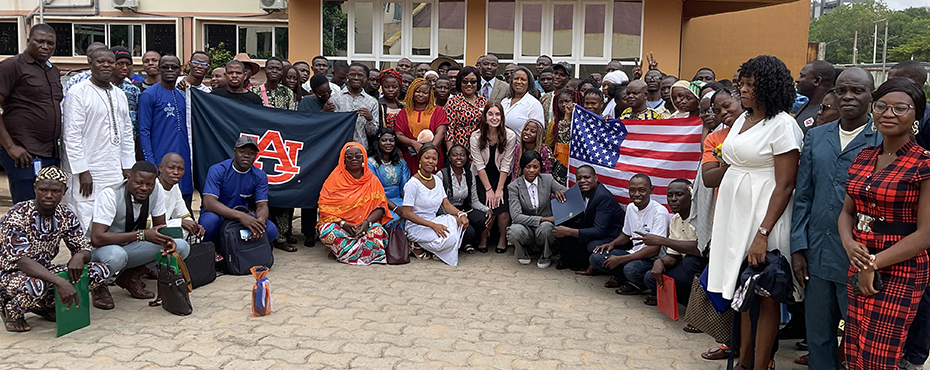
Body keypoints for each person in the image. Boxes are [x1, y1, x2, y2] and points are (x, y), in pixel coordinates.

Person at [707, 55, 803, 370]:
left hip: (763, 216)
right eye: (742, 84)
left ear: (770, 87)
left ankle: (762, 364)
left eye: (751, 85)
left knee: (765, 292)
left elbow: (786, 184)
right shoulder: (742, 119)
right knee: (742, 289)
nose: (743, 91)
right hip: (734, 214)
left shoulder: (784, 125)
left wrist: (762, 233)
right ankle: (743, 359)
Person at [836, 77, 929, 370]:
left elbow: (926, 234)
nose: (889, 114)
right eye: (883, 107)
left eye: (901, 108)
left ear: (916, 116)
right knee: (854, 347)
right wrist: (850, 244)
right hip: (860, 254)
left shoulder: (923, 164)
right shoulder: (864, 157)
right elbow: (846, 212)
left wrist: (872, 265)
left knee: (880, 356)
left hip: (901, 264)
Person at [790, 67, 878, 370]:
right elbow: (803, 195)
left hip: (860, 256)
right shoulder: (816, 136)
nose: (848, 97)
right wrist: (798, 246)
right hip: (817, 250)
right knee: (818, 335)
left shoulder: (880, 139)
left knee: (858, 338)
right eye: (842, 91)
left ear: (871, 95)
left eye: (857, 91)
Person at [0, 167, 112, 331]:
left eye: (55, 191)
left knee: (99, 270)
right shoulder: (17, 215)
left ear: (64, 191)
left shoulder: (65, 215)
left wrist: (80, 256)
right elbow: (22, 262)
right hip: (10, 274)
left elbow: (84, 247)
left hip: (44, 270)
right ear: (35, 188)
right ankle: (11, 310)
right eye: (43, 190)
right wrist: (59, 281)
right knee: (36, 285)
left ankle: (48, 304)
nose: (49, 195)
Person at [90, 161, 190, 301]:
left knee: (180, 247)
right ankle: (98, 285)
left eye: (149, 184)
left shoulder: (157, 190)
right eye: (139, 183)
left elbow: (160, 228)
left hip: (131, 246)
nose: (144, 188)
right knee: (116, 256)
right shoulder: (110, 194)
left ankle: (130, 276)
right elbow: (97, 238)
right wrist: (141, 235)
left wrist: (166, 240)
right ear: (128, 177)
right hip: (102, 249)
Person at [62, 48, 135, 232]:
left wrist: (128, 165)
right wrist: (82, 170)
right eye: (100, 61)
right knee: (84, 217)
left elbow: (126, 132)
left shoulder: (120, 94)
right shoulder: (78, 92)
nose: (106, 65)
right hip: (87, 170)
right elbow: (71, 135)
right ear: (90, 64)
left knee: (111, 215)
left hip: (113, 169)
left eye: (111, 62)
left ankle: (106, 259)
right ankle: (83, 258)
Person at [0, 24, 64, 203]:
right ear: (28, 41)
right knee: (26, 207)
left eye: (50, 43)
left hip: (49, 152)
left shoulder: (53, 71)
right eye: (40, 41)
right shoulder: (11, 66)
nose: (46, 46)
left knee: (47, 205)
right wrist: (11, 147)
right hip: (23, 153)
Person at [587, 174, 670, 294]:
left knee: (631, 269)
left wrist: (622, 259)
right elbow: (626, 235)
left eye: (641, 190)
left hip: (652, 259)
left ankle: (640, 284)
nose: (636, 194)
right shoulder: (631, 207)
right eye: (632, 190)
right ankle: (628, 279)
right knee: (596, 258)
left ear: (651, 190)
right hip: (633, 254)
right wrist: (612, 244)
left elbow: (654, 249)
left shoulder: (659, 212)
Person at [317, 142, 392, 265]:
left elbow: (381, 207)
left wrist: (367, 223)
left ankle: (344, 253)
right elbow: (324, 208)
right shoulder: (334, 179)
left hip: (365, 224)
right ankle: (359, 253)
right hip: (340, 225)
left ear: (363, 158)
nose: (354, 159)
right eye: (349, 157)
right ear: (343, 159)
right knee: (327, 232)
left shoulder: (372, 180)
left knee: (377, 232)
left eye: (358, 156)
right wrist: (343, 224)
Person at [138, 55, 195, 209]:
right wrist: (151, 162)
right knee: (160, 205)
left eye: (174, 67)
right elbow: (143, 130)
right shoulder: (149, 95)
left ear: (180, 70)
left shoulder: (183, 95)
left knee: (184, 201)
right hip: (160, 159)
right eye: (165, 67)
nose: (170, 70)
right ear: (159, 69)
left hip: (183, 159)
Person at [198, 137, 278, 245]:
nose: (246, 155)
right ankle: (214, 251)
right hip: (219, 215)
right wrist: (241, 216)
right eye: (242, 151)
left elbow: (262, 205)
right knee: (208, 222)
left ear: (256, 156)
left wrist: (260, 223)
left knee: (271, 230)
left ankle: (242, 252)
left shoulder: (260, 175)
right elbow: (209, 203)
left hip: (240, 217)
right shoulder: (218, 170)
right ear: (234, 151)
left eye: (251, 153)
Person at [640, 179, 705, 309]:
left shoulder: (702, 217)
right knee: (650, 277)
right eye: (670, 195)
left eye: (679, 195)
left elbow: (700, 249)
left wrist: (662, 240)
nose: (673, 199)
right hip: (686, 267)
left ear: (691, 196)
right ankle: (688, 305)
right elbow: (673, 256)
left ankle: (698, 309)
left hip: (703, 267)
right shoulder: (675, 219)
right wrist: (661, 262)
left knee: (691, 261)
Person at [402, 143, 470, 266]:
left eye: (434, 159)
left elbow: (447, 205)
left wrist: (461, 214)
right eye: (427, 158)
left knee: (458, 225)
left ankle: (428, 247)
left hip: (434, 221)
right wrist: (432, 225)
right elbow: (406, 213)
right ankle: (415, 242)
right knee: (450, 239)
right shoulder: (413, 184)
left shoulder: (437, 180)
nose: (430, 161)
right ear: (420, 159)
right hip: (417, 226)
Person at [552, 165, 625, 270]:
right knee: (562, 227)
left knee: (590, 244)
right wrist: (562, 197)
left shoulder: (603, 197)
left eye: (586, 177)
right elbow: (567, 214)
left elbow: (599, 231)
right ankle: (576, 262)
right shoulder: (580, 192)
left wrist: (569, 231)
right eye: (579, 178)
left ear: (595, 178)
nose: (582, 181)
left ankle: (591, 265)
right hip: (591, 228)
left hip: (610, 236)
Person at [470, 103, 517, 253]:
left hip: (501, 177)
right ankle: (484, 238)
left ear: (502, 117)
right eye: (490, 114)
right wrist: (489, 189)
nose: (494, 118)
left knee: (502, 208)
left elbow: (506, 164)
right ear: (485, 116)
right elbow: (479, 165)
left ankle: (502, 238)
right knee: (487, 206)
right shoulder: (476, 136)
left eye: (498, 114)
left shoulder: (510, 135)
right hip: (481, 177)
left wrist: (499, 189)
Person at [507, 150, 567, 268]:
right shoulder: (514, 187)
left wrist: (562, 192)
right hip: (526, 228)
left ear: (540, 167)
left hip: (544, 228)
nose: (531, 170)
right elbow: (516, 216)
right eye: (527, 167)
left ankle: (545, 255)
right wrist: (545, 219)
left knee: (546, 228)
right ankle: (523, 253)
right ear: (522, 167)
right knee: (514, 231)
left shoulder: (548, 179)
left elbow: (567, 193)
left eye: (535, 167)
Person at [394, 78, 448, 172]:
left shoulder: (438, 111)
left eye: (425, 92)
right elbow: (398, 134)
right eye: (417, 91)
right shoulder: (404, 113)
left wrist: (429, 150)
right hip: (411, 155)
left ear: (430, 94)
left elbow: (441, 133)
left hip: (432, 155)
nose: (421, 95)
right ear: (411, 92)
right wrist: (413, 143)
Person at [435, 145, 478, 253]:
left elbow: (474, 200)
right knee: (469, 231)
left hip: (464, 209)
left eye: (462, 155)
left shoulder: (469, 174)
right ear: (449, 158)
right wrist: (454, 215)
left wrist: (487, 210)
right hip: (446, 211)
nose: (459, 158)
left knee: (483, 219)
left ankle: (467, 243)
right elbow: (439, 203)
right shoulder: (441, 175)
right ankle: (463, 243)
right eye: (455, 155)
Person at [153, 153, 204, 239]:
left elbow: (183, 215)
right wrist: (179, 222)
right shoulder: (152, 187)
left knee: (195, 235)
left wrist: (195, 226)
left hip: (167, 227)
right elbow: (150, 224)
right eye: (171, 167)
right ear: (161, 168)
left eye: (180, 169)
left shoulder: (175, 187)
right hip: (149, 233)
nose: (176, 172)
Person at [333, 63, 380, 150]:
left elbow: (372, 133)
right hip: (338, 148)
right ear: (347, 76)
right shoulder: (335, 98)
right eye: (352, 74)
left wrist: (370, 119)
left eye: (360, 75)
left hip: (361, 149)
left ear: (365, 78)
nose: (356, 78)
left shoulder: (372, 102)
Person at [368, 128, 409, 221]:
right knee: (395, 219)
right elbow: (375, 191)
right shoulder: (371, 163)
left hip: (399, 201)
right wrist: (395, 208)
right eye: (384, 140)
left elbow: (405, 187)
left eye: (391, 140)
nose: (388, 143)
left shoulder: (400, 162)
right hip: (379, 202)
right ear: (378, 142)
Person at [889, 60, 930, 151]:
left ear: (911, 82)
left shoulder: (927, 118)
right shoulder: (885, 111)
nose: (887, 86)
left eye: (891, 81)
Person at [444, 66, 487, 152]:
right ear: (460, 82)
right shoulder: (452, 102)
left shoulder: (484, 102)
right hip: (460, 149)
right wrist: (451, 153)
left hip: (481, 148)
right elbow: (449, 131)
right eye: (465, 81)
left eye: (473, 82)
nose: (469, 84)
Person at [794, 60, 836, 134]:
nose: (797, 80)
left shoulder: (828, 113)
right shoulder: (805, 106)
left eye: (802, 76)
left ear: (817, 81)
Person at [501, 67, 544, 134]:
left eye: (523, 79)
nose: (519, 82)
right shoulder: (504, 101)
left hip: (521, 144)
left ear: (529, 83)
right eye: (516, 79)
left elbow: (538, 132)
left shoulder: (534, 104)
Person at [109, 46, 141, 131]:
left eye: (128, 64)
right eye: (120, 64)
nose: (125, 68)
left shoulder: (134, 90)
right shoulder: (101, 88)